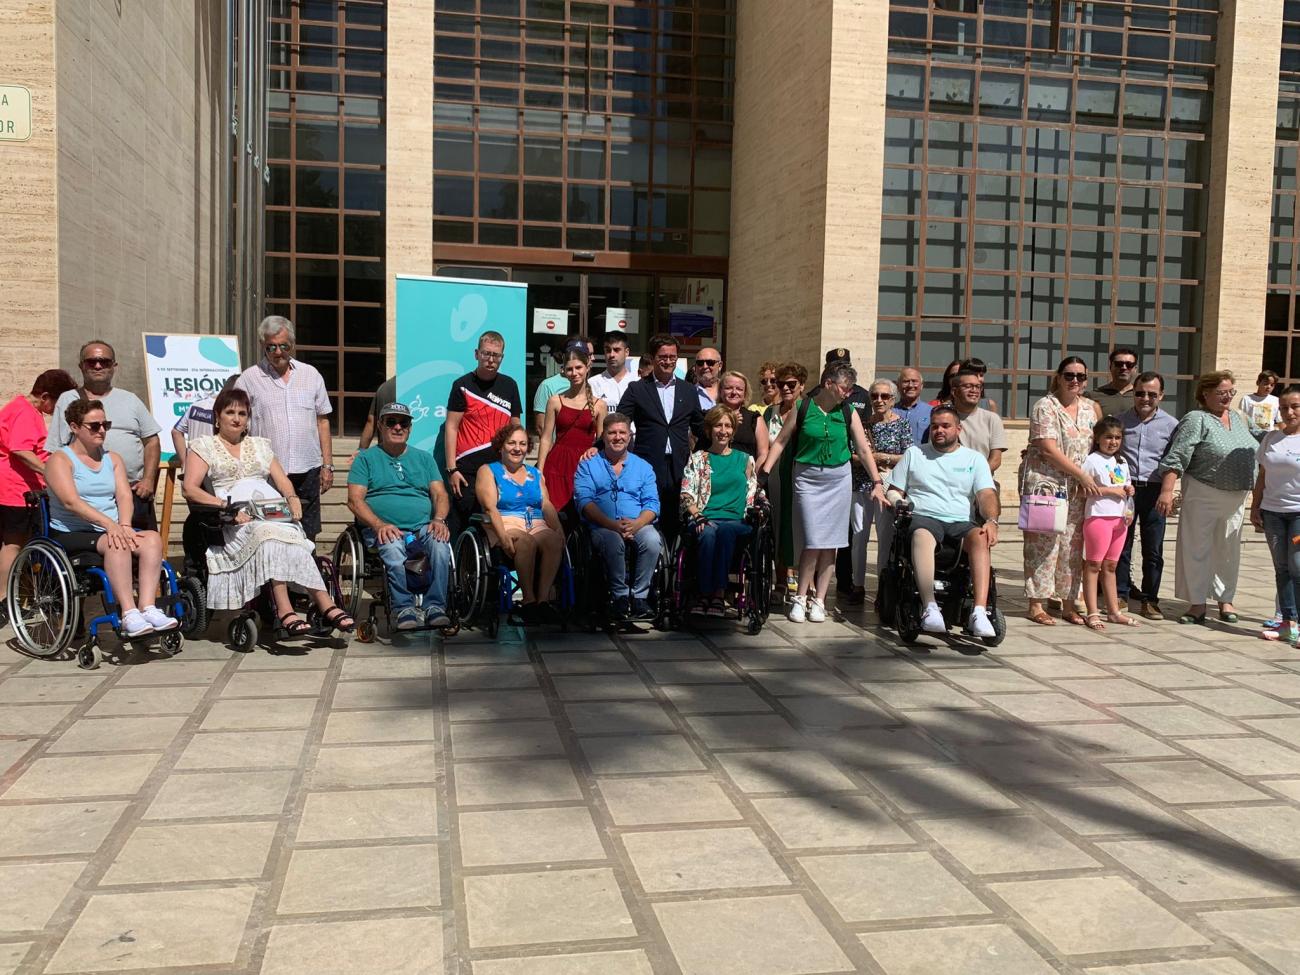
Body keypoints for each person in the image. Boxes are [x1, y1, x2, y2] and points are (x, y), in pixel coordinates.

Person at [182, 387, 354, 636]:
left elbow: (282, 480)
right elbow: (190, 489)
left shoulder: (259, 445)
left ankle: (325, 604)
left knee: (295, 537)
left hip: (268, 510)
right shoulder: (204, 446)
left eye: (242, 413)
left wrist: (292, 498)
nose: (236, 419)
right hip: (233, 517)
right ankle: (284, 609)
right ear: (217, 417)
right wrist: (226, 508)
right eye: (230, 412)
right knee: (267, 536)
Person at [761, 363, 886, 624]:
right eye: (844, 388)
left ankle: (819, 598)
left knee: (832, 541)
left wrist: (877, 481)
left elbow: (863, 450)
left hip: (838, 479)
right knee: (812, 539)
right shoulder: (803, 407)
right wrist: (765, 472)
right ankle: (800, 597)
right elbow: (781, 441)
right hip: (807, 478)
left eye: (850, 389)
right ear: (828, 384)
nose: (848, 394)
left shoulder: (848, 411)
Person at [45, 399, 177, 638]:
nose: (102, 430)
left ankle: (147, 607)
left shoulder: (112, 459)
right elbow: (71, 502)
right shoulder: (60, 460)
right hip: (72, 532)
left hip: (110, 528)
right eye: (94, 426)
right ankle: (128, 612)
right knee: (116, 543)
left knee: (151, 539)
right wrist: (110, 525)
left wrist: (124, 524)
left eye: (105, 424)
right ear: (74, 427)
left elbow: (124, 495)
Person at [884, 406, 1000, 638]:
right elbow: (894, 490)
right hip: (924, 517)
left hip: (959, 521)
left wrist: (991, 520)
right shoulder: (914, 454)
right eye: (935, 426)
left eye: (946, 426)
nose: (939, 430)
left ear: (958, 429)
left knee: (980, 536)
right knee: (921, 534)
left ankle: (979, 611)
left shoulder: (974, 458)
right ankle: (930, 606)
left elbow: (986, 494)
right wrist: (899, 502)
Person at [1157, 371, 1259, 624]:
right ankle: (1197, 603)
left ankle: (1226, 600)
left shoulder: (1240, 418)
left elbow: (1264, 439)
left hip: (1236, 496)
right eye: (1222, 392)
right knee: (1197, 549)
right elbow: (1177, 455)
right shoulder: (1196, 419)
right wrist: (1167, 491)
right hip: (1203, 491)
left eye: (1231, 392)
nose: (1228, 397)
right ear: (1205, 393)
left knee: (1228, 550)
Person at [347, 402, 453, 630]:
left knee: (440, 545)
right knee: (393, 546)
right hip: (382, 527)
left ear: (410, 428)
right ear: (380, 425)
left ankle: (435, 606)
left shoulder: (424, 458)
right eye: (391, 422)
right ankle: (403, 607)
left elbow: (440, 494)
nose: (398, 427)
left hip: (422, 527)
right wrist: (378, 524)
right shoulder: (365, 459)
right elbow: (355, 500)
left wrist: (439, 519)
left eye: (403, 423)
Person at [234, 317, 334, 541]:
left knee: (308, 534)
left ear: (293, 345)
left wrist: (328, 465)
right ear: (263, 345)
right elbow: (236, 422)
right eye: (271, 347)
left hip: (308, 469)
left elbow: (322, 421)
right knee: (272, 532)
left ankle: (307, 565)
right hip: (268, 471)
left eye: (284, 346)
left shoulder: (311, 374)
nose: (278, 352)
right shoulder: (249, 379)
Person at [49, 341, 163, 532]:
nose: (98, 366)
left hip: (133, 492)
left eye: (104, 361)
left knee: (144, 543)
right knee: (108, 545)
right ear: (81, 366)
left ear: (114, 366)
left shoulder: (131, 400)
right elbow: (55, 449)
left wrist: (149, 480)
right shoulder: (67, 399)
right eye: (91, 361)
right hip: (89, 497)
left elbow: (152, 441)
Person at [1022, 358, 1103, 626]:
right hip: (1048, 485)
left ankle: (1068, 603)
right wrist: (1080, 474)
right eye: (1069, 375)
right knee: (1043, 545)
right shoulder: (1045, 406)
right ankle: (1037, 603)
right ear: (1058, 377)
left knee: (1072, 546)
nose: (1075, 380)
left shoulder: (1091, 409)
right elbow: (1047, 448)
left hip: (1078, 489)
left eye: (1080, 376)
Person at [0, 369, 78, 626]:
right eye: (56, 403)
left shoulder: (20, 407)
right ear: (45, 397)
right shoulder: (26, 412)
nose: (56, 411)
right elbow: (21, 449)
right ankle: (4, 601)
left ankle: (15, 598)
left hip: (15, 487)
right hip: (15, 489)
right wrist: (49, 472)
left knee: (17, 544)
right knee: (13, 545)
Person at [573, 413, 661, 621]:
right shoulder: (588, 464)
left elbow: (652, 504)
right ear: (603, 436)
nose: (618, 437)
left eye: (622, 432)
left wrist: (636, 524)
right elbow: (584, 502)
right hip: (602, 525)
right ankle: (619, 597)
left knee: (652, 540)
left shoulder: (643, 467)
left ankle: (640, 597)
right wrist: (613, 525)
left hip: (637, 523)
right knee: (612, 541)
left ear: (630, 436)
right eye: (612, 433)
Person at [616, 334, 704, 542]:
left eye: (672, 357)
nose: (668, 361)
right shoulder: (637, 389)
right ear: (653, 357)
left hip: (679, 464)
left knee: (676, 519)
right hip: (647, 464)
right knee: (648, 515)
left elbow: (700, 426)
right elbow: (619, 422)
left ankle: (672, 560)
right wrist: (599, 446)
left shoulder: (688, 390)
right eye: (663, 357)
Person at [476, 421, 565, 624]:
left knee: (553, 540)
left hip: (535, 522)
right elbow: (490, 508)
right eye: (512, 443)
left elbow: (546, 504)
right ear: (501, 446)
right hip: (504, 523)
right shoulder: (488, 471)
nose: (517, 448)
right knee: (526, 542)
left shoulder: (535, 473)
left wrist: (558, 530)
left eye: (523, 444)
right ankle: (528, 601)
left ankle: (543, 601)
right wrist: (502, 536)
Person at [682, 406, 759, 616]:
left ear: (733, 431)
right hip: (704, 517)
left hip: (736, 520)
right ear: (709, 430)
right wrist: (697, 515)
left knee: (725, 531)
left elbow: (753, 491)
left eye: (727, 426)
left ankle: (718, 593)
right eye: (718, 425)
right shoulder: (698, 459)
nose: (723, 431)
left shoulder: (745, 459)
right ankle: (704, 593)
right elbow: (687, 493)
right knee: (707, 532)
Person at [444, 331, 523, 536]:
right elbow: (451, 427)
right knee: (464, 526)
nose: (490, 359)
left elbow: (516, 427)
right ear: (476, 354)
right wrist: (452, 469)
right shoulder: (462, 385)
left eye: (496, 355)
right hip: (466, 471)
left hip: (500, 469)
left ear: (502, 357)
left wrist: (517, 465)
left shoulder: (510, 385)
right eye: (486, 353)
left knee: (498, 525)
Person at [1116, 371, 1178, 620]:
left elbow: (1175, 460)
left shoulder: (1172, 425)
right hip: (1127, 490)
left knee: (1153, 549)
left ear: (1161, 396)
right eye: (1140, 393)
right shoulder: (1120, 422)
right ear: (1133, 393)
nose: (1145, 398)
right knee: (1122, 545)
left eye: (1152, 394)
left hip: (1155, 491)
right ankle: (1120, 594)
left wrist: (1167, 492)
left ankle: (1150, 600)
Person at [845, 378, 912, 606]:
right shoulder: (863, 425)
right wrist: (867, 459)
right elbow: (852, 454)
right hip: (861, 485)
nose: (879, 400)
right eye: (874, 396)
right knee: (859, 536)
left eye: (885, 396)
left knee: (885, 537)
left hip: (888, 487)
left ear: (893, 399)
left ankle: (883, 587)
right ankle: (857, 585)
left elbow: (909, 457)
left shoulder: (902, 425)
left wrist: (883, 457)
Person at [1250, 386, 1300, 644]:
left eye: (1295, 407)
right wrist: (1255, 505)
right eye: (1284, 408)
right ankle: (1287, 623)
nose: (1289, 412)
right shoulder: (1271, 438)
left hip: (1298, 514)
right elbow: (1262, 475)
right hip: (1273, 513)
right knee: (1281, 568)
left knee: (1298, 566)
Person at [1080, 417, 1138, 631]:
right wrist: (1109, 491)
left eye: (1117, 438)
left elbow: (1125, 485)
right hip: (1098, 517)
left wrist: (1129, 491)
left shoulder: (1121, 462)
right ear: (1098, 438)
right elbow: (1082, 490)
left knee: (1111, 566)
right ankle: (1092, 611)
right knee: (1093, 564)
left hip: (1120, 519)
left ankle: (1114, 612)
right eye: (1108, 437)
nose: (1113, 442)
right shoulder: (1091, 460)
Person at [536, 345, 605, 519]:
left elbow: (602, 441)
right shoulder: (555, 401)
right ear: (564, 371)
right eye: (569, 369)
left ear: (587, 367)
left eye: (578, 367)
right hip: (556, 465)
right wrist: (539, 471)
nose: (574, 373)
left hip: (584, 465)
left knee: (583, 517)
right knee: (554, 516)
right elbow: (546, 438)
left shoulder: (599, 405)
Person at [763, 362, 808, 595]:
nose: (786, 388)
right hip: (776, 479)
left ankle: (805, 582)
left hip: (803, 477)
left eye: (791, 384)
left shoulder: (809, 410)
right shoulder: (770, 413)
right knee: (779, 527)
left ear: (802, 385)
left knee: (803, 528)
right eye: (781, 384)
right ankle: (780, 579)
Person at [699, 371, 769, 466]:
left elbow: (763, 453)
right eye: (728, 388)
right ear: (720, 391)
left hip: (744, 472)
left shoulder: (754, 418)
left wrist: (754, 473)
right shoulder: (707, 416)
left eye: (739, 389)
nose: (734, 392)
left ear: (745, 393)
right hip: (712, 470)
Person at [172, 376, 241, 466]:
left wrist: (185, 463)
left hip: (193, 467)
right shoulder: (228, 411)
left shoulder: (196, 405)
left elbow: (176, 432)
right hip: (217, 469)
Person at [950, 368, 1008, 474]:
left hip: (981, 480)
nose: (974, 390)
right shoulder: (943, 418)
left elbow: (995, 460)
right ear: (954, 391)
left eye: (978, 386)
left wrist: (974, 475)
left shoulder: (992, 419)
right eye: (968, 386)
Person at [534, 336, 593, 437]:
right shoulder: (548, 385)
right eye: (589, 355)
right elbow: (541, 427)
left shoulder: (593, 384)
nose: (593, 358)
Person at [589, 334, 636, 413]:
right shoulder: (593, 383)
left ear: (626, 352)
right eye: (608, 350)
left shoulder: (637, 383)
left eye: (616, 350)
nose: (611, 355)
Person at [1089, 347, 1139, 419]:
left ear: (1135, 369)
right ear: (1110, 367)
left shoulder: (1141, 396)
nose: (1124, 367)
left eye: (1129, 365)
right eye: (1119, 364)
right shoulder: (1093, 396)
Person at [355, 375, 397, 451]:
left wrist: (361, 451)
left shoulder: (383, 388)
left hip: (384, 451)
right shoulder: (416, 387)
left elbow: (371, 422)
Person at [895, 368, 934, 448]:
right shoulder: (890, 411)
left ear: (921, 386)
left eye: (914, 381)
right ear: (898, 386)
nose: (910, 385)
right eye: (906, 381)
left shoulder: (932, 412)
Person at [1242, 370, 1281, 436]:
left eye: (1272, 385)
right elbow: (1241, 419)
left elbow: (1280, 421)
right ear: (1258, 382)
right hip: (1251, 435)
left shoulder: (1276, 400)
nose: (1269, 387)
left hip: (1268, 436)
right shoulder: (1246, 399)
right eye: (1266, 383)